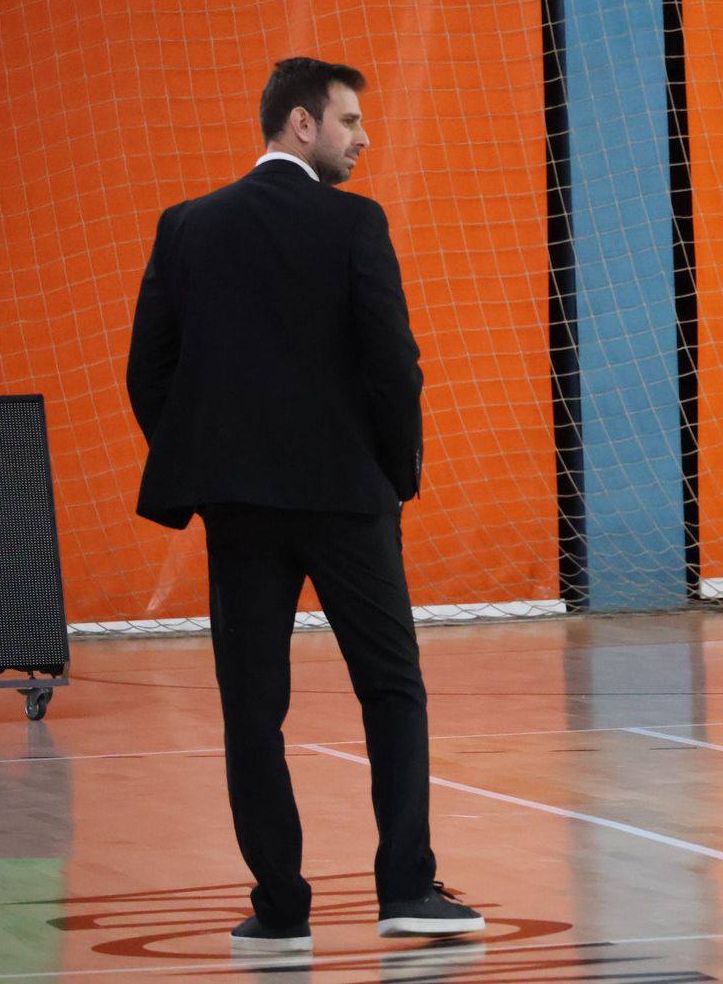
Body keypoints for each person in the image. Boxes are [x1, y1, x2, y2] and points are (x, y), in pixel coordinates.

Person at [126, 58, 483, 953]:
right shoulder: (355, 222)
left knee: (254, 710)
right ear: (300, 125)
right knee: (391, 690)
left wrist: (207, 464)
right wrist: (394, 473)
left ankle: (280, 909)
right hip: (345, 497)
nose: (363, 139)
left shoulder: (187, 226)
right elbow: (393, 361)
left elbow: (148, 373)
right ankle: (405, 887)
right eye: (350, 122)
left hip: (239, 505)